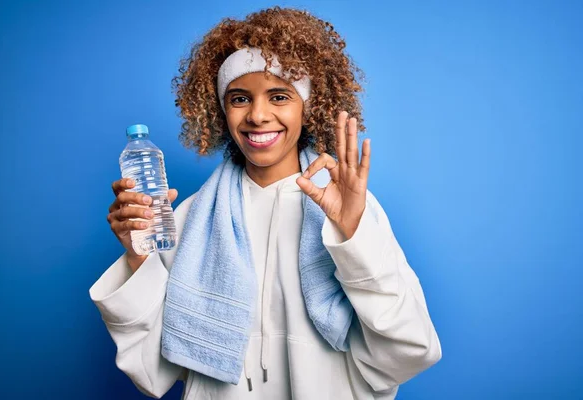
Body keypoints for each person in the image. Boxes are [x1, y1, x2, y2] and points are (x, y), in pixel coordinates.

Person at [89, 7, 441, 400]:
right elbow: (153, 371)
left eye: (279, 96)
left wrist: (353, 235)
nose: (258, 116)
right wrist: (140, 258)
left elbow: (410, 349)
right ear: (221, 111)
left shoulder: (348, 208)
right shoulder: (190, 218)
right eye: (240, 98)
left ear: (308, 107)